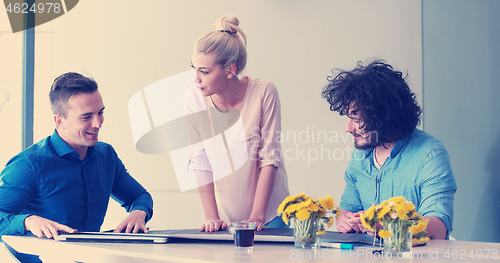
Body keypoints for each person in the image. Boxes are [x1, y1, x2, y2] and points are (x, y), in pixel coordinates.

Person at [0, 72, 153, 239]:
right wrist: (27, 221)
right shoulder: (29, 165)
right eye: (86, 117)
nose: (98, 123)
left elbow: (139, 196)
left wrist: (139, 213)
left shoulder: (106, 156)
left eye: (100, 112)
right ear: (59, 121)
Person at [321, 60, 457, 239]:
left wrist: (389, 227)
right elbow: (349, 208)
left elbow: (439, 227)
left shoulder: (430, 154)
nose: (348, 128)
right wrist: (345, 221)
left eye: (356, 119)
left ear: (382, 116)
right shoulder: (360, 156)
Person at [186, 15, 290, 232]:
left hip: (271, 216)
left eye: (203, 71)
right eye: (193, 68)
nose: (196, 78)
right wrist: (211, 217)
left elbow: (270, 158)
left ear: (230, 71)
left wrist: (257, 217)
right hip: (228, 221)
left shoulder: (264, 93)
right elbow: (200, 161)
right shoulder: (193, 98)